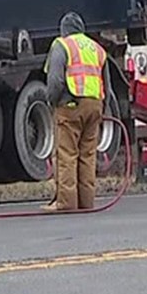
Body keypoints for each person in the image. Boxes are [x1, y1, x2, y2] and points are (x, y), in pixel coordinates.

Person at [42, 12, 106, 212]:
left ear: (64, 30)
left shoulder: (62, 45)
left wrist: (52, 101)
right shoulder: (97, 48)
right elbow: (108, 84)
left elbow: (55, 80)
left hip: (71, 105)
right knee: (88, 155)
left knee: (67, 155)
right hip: (95, 106)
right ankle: (86, 202)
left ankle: (66, 203)